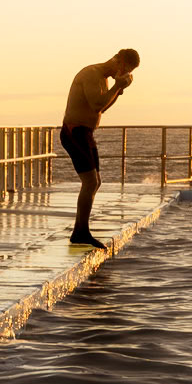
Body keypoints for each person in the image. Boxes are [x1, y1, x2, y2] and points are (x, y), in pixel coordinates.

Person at [60, 49, 140, 249]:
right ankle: (81, 232)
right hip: (74, 131)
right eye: (126, 70)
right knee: (90, 182)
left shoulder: (104, 79)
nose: (125, 74)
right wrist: (117, 86)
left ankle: (79, 230)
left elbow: (103, 107)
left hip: (85, 133)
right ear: (118, 61)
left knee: (96, 182)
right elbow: (96, 104)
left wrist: (118, 90)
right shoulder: (91, 73)